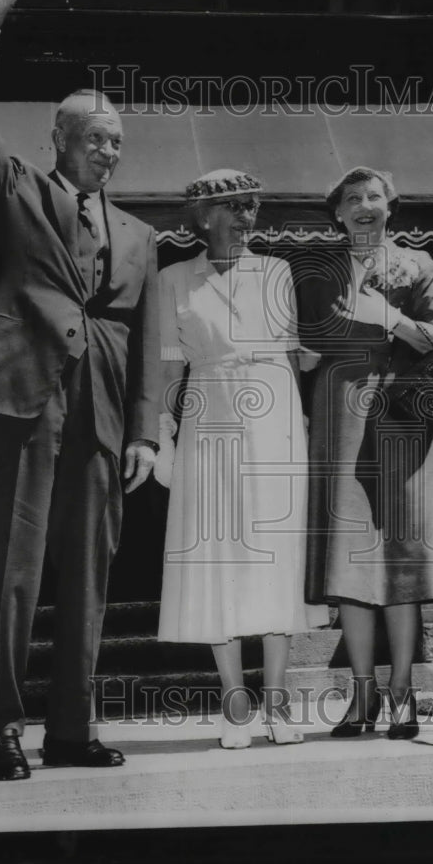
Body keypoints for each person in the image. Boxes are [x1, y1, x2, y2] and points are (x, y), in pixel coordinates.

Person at [0, 0, 159, 779]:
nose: (108, 151)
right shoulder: (16, 188)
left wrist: (145, 432)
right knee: (8, 569)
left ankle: (71, 729)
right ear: (59, 140)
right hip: (18, 404)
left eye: (117, 141)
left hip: (102, 417)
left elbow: (146, 339)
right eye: (94, 137)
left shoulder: (141, 235)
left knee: (90, 580)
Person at [296, 166, 433, 739]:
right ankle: (362, 694)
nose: (363, 205)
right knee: (350, 559)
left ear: (389, 206)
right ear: (337, 213)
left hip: (402, 416)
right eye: (352, 198)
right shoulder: (316, 270)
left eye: (373, 196)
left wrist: (393, 319)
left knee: (403, 556)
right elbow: (302, 343)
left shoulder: (417, 264)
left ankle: (402, 691)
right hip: (340, 417)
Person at [155, 170, 329, 749]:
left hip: (275, 420)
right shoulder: (173, 279)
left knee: (276, 555)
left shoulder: (276, 272)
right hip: (209, 418)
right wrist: (163, 435)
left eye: (251, 206)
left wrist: (305, 414)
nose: (245, 216)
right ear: (203, 217)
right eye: (232, 207)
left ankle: (277, 703)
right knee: (217, 556)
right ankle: (235, 705)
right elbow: (167, 366)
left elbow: (293, 353)